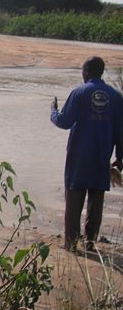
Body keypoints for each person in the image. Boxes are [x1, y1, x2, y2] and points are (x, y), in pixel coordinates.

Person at [51, 56, 123, 252]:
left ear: (87, 71)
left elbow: (64, 122)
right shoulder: (116, 97)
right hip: (102, 157)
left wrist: (53, 112)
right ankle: (90, 241)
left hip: (79, 155)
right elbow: (120, 130)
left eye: (83, 71)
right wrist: (120, 156)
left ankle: (71, 243)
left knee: (74, 199)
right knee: (96, 200)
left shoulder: (80, 92)